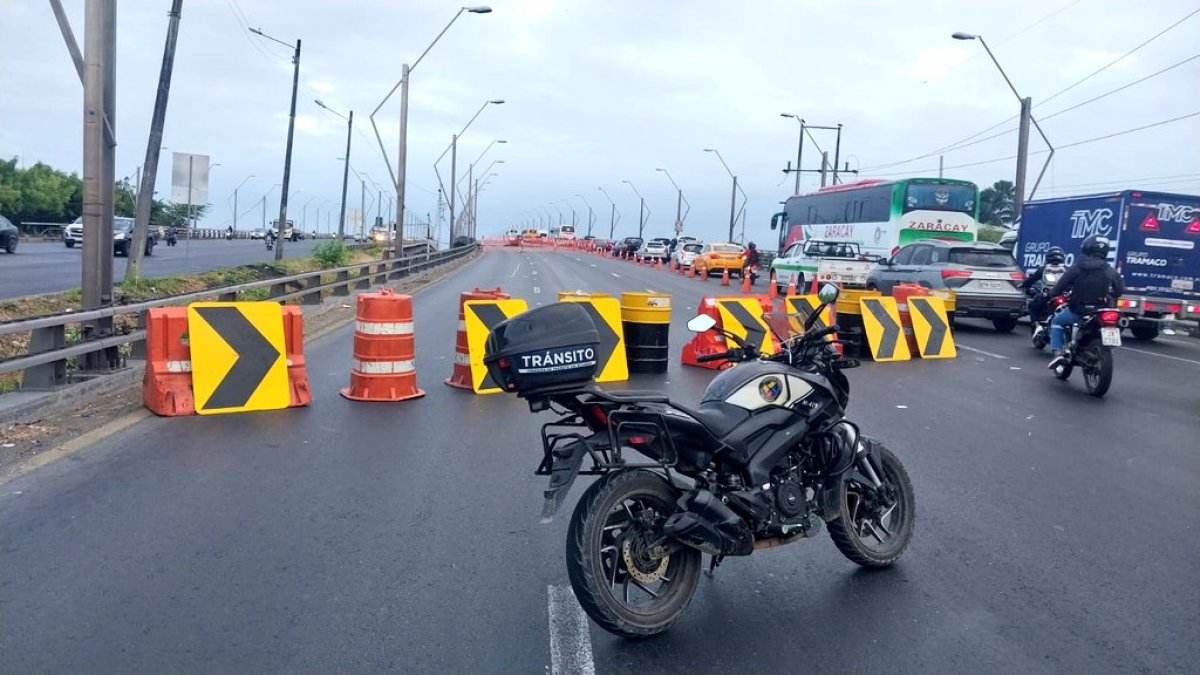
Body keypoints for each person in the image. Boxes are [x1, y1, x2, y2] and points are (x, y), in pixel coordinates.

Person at [1046, 235, 1124, 368]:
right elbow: (1120, 290)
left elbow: (1060, 286)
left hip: (1078, 311)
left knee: (1057, 322)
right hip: (1100, 311)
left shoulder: (1077, 267)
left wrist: (1051, 295)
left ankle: (1058, 354)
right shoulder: (1109, 270)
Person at [1022, 246, 1067, 327]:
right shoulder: (1067, 269)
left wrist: (1024, 285)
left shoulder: (1043, 269)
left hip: (1048, 296)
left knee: (1032, 306)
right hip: (1064, 296)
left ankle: (1037, 326)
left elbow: (1031, 280)